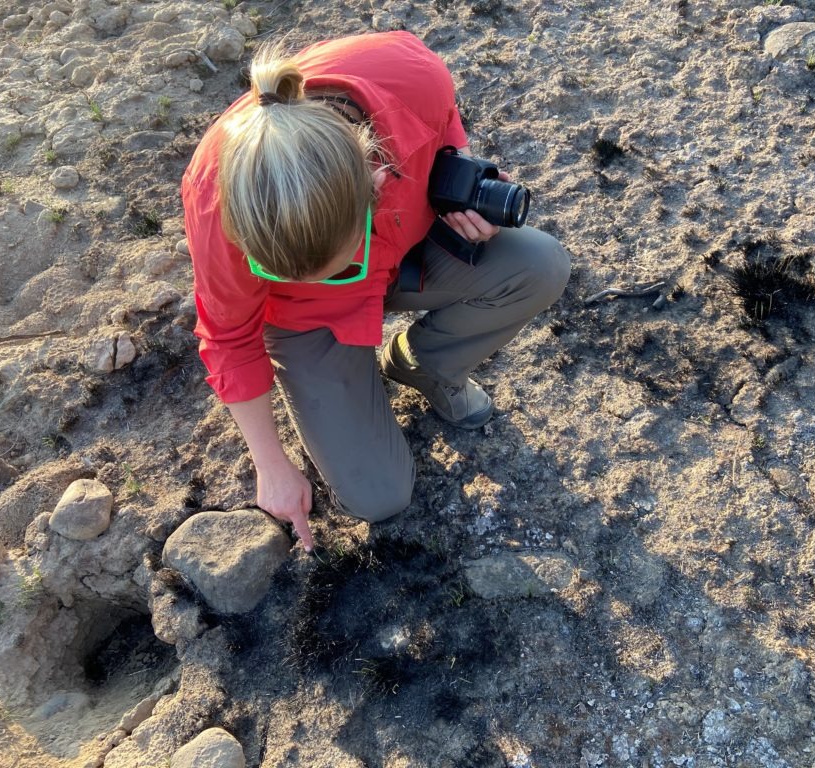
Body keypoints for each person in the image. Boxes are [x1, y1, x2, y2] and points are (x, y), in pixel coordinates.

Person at [181, 31, 570, 552]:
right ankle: (340, 373)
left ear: (378, 181)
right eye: (282, 270)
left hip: (403, 253)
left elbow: (448, 136)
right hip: (306, 320)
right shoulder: (217, 197)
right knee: (379, 497)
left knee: (538, 265)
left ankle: (422, 364)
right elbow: (229, 334)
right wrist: (270, 464)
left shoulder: (414, 75)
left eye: (334, 267)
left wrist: (467, 194)